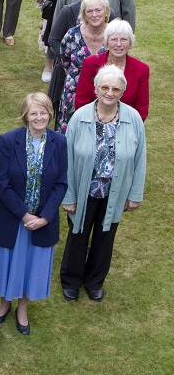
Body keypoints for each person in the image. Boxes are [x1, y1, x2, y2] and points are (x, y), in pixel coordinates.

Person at [0, 93, 67, 335]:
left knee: (31, 265)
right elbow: (2, 181)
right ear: (25, 116)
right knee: (8, 263)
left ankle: (22, 308)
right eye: (34, 113)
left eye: (44, 112)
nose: (39, 117)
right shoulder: (9, 140)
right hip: (12, 217)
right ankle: (4, 303)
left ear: (50, 114)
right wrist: (24, 215)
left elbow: (61, 183)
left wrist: (45, 217)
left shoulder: (59, 142)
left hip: (42, 220)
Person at [61, 65, 146, 302]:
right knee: (77, 233)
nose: (110, 92)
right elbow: (66, 158)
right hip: (84, 188)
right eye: (105, 87)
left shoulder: (133, 119)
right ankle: (71, 280)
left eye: (115, 88)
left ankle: (94, 281)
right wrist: (68, 195)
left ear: (122, 91)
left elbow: (140, 159)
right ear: (96, 88)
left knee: (105, 235)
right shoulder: (79, 117)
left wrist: (135, 193)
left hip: (115, 190)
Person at [47, 0, 110, 122]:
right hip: (74, 88)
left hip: (105, 88)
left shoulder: (112, 32)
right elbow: (60, 49)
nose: (94, 14)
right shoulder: (71, 26)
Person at [75, 19, 149, 122]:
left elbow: (142, 109)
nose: (118, 44)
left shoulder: (141, 69)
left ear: (130, 42)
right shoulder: (90, 64)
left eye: (124, 39)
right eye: (114, 39)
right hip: (91, 124)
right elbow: (81, 102)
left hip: (126, 126)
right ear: (106, 42)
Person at [57, 0, 109, 132]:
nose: (94, 15)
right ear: (84, 15)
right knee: (71, 130)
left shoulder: (113, 35)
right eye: (89, 11)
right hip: (73, 90)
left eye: (98, 10)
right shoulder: (72, 34)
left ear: (106, 12)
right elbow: (65, 59)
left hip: (105, 91)